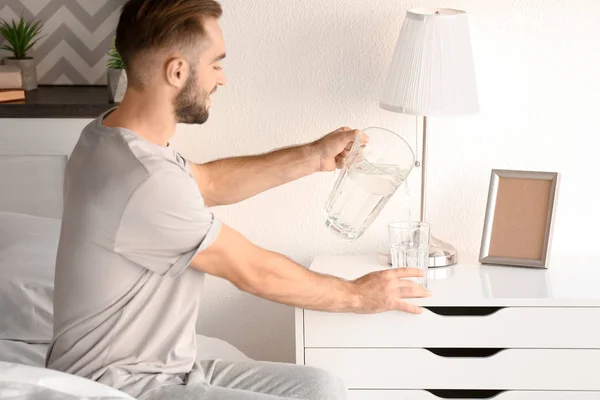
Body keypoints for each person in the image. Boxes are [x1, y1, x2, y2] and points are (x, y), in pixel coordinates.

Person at [45, 0, 430, 399]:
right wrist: (357, 295)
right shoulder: (145, 180)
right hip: (119, 385)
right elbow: (253, 272)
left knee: (323, 387)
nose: (222, 78)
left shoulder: (108, 139)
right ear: (177, 71)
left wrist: (313, 156)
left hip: (166, 369)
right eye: (215, 64)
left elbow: (208, 182)